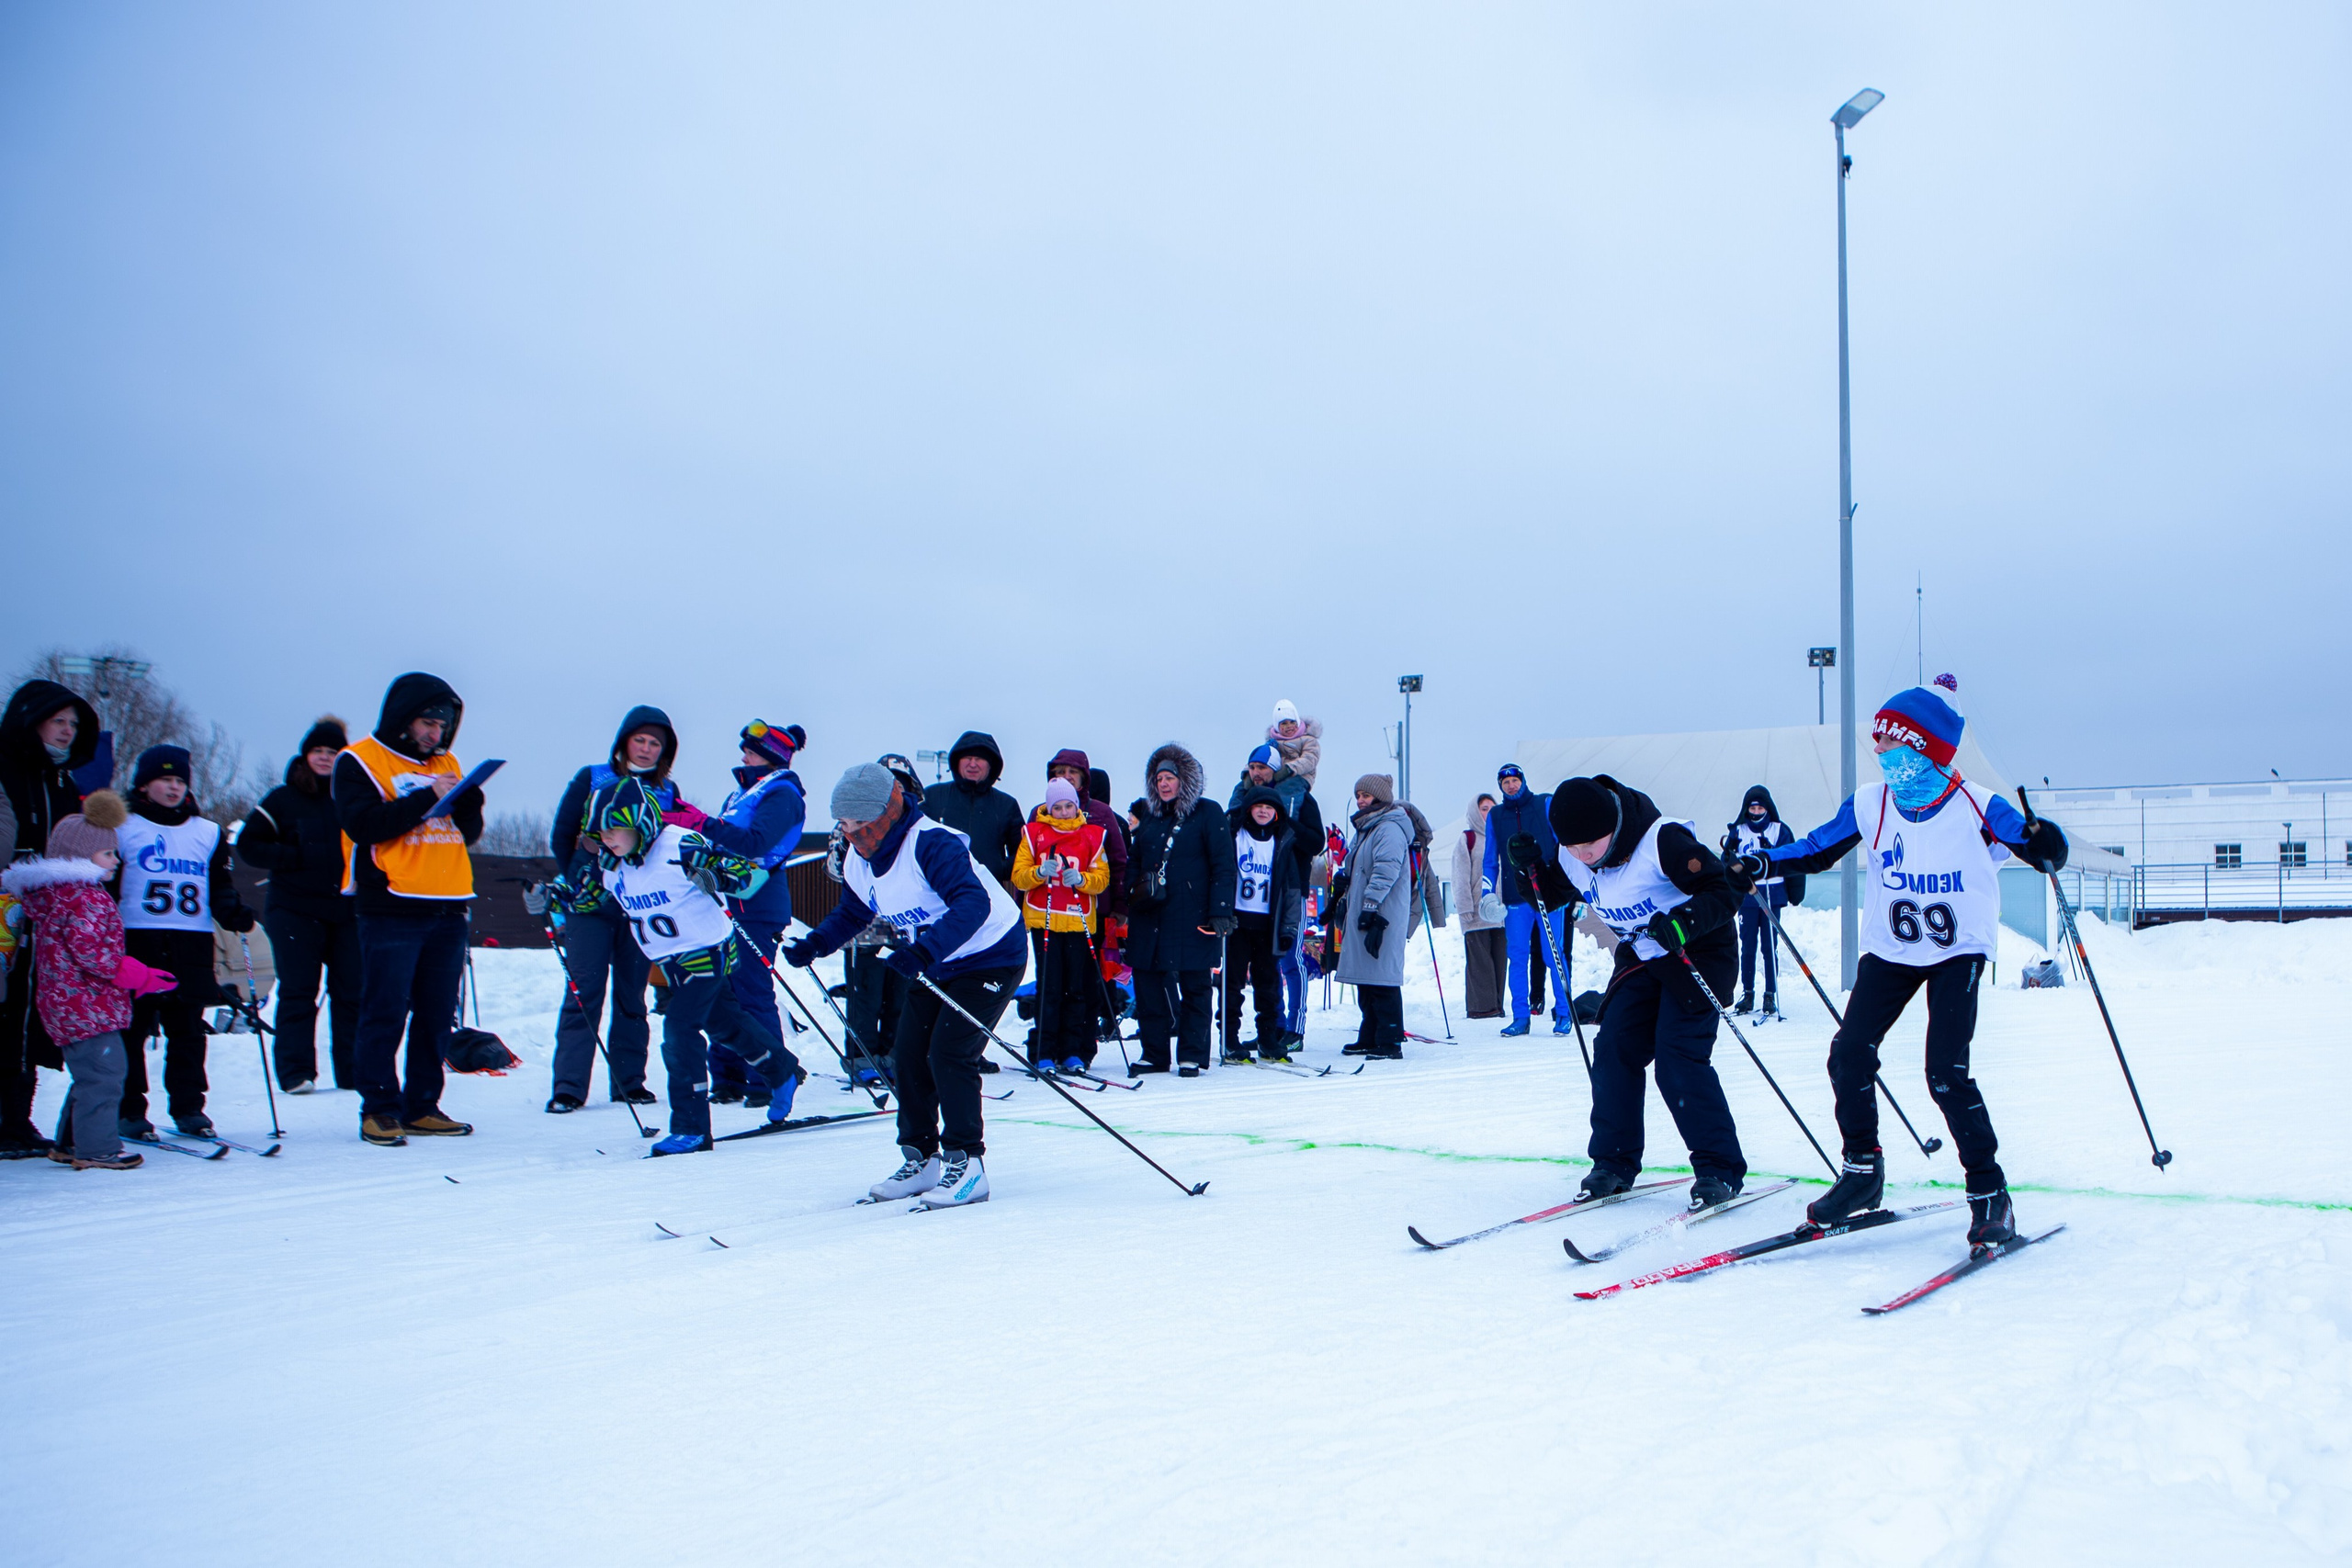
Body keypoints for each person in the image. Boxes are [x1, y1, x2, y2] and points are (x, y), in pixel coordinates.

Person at [1735, 677, 2066, 1247]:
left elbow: (2036, 847)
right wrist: (1761, 862)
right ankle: (1862, 1173)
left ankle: (1990, 1191)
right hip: (1892, 949)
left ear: (1922, 748)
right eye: (1880, 742)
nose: (1880, 751)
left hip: (1958, 951)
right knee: (1848, 1055)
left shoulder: (1977, 803)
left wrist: (2046, 843)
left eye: (1890, 742)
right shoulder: (1872, 802)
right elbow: (1816, 848)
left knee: (1945, 1072)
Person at [786, 763, 1027, 1209]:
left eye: (860, 822)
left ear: (886, 812)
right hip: (937, 960)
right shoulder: (859, 859)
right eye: (844, 823)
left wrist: (923, 951)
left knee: (949, 1053)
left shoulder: (930, 843)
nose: (851, 833)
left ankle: (967, 1164)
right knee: (910, 1055)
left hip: (990, 954)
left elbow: (973, 904)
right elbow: (854, 912)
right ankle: (921, 1158)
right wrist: (816, 943)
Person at [549, 779, 804, 1155]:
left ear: (640, 821)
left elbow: (749, 875)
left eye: (614, 828)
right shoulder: (610, 862)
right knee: (725, 1024)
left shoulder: (679, 845)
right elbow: (587, 901)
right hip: (670, 961)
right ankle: (782, 1070)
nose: (606, 838)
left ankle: (691, 1127)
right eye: (599, 832)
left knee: (680, 1031)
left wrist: (717, 876)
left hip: (706, 951)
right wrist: (557, 898)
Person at [1535, 774, 1747, 1210]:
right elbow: (1547, 893)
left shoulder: (1661, 841)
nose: (1582, 856)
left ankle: (1719, 1169)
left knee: (1677, 1058)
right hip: (1642, 958)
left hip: (1696, 952)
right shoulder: (1573, 856)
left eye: (1589, 845)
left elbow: (1724, 888)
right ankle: (1614, 1162)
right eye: (1572, 847)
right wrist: (1529, 871)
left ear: (1612, 826)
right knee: (1614, 1046)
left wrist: (1684, 922)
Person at [334, 671, 486, 1147]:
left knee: (437, 1014)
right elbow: (363, 825)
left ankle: (422, 1105)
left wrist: (469, 804)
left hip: (448, 903)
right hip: (392, 905)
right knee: (385, 1010)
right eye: (427, 723)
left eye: (442, 726)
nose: (435, 734)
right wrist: (427, 796)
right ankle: (379, 1108)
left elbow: (467, 833)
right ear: (403, 719)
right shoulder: (358, 759)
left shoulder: (447, 763)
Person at [3, 794, 178, 1168]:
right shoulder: (87, 898)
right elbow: (95, 954)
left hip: (67, 1005)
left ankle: (70, 1142)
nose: (117, 860)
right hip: (88, 1006)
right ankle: (97, 1149)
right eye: (108, 854)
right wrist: (140, 975)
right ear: (81, 857)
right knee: (104, 1076)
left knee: (90, 1075)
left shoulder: (56, 896)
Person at [112, 745, 255, 1140]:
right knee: (132, 1029)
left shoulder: (206, 832)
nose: (174, 787)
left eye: (180, 781)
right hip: (137, 939)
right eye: (165, 779)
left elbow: (219, 885)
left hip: (191, 942)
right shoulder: (123, 827)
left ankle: (189, 1107)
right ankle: (129, 1109)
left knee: (188, 1031)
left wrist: (231, 911)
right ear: (144, 785)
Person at [542, 707, 677, 1113]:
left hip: (637, 907)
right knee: (583, 992)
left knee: (632, 994)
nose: (646, 749)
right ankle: (569, 1087)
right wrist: (579, 877)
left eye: (655, 744)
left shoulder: (666, 790)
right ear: (624, 741)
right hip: (589, 907)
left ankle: (629, 1082)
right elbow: (563, 834)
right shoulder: (592, 777)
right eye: (640, 740)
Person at [673, 719, 807, 1102]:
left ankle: (768, 1079)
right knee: (722, 993)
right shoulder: (743, 793)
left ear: (770, 756)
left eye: (750, 751)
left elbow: (754, 843)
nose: (743, 756)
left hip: (756, 904)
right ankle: (728, 1077)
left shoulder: (782, 793)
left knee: (750, 992)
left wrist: (703, 823)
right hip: (726, 900)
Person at [0, 678, 99, 1158]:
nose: (66, 731)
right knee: (5, 1007)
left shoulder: (63, 780)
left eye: (73, 724)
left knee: (27, 1013)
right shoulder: (6, 767)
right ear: (31, 721)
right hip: (7, 904)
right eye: (57, 721)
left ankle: (17, 1120)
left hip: (45, 913)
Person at [238, 717, 363, 1092]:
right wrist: (293, 856)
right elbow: (248, 845)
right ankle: (296, 1073)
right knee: (299, 991)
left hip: (347, 911)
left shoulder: (354, 798)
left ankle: (354, 1072)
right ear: (305, 755)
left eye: (333, 752)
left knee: (352, 992)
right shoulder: (283, 798)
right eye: (317, 751)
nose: (324, 757)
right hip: (295, 910)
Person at [1123, 745, 1236, 1077]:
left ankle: (1191, 1054)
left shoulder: (1208, 812)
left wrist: (1220, 911)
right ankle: (1154, 1054)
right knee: (1149, 986)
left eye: (1170, 778)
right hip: (1150, 914)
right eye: (1158, 778)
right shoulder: (1149, 815)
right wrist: (1132, 892)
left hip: (1193, 914)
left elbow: (1223, 865)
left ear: (1185, 780)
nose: (1163, 784)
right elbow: (1135, 860)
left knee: (1195, 986)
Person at [1227, 741, 1325, 1050]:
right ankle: (1272, 1028)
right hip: (1250, 897)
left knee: (1290, 960)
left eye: (1263, 768)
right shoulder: (1241, 795)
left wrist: (1286, 822)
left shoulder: (1299, 795)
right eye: (1253, 767)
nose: (1257, 773)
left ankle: (1294, 1029)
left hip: (1288, 891)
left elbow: (1316, 842)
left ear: (1275, 770)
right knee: (1263, 970)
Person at [1010, 777, 1112, 1072]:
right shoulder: (1034, 834)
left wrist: (1082, 879)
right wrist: (1039, 872)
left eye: (1069, 806)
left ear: (1076, 806)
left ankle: (1071, 1051)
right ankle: (1044, 1050)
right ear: (1049, 808)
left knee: (1076, 989)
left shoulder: (1092, 835)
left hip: (1078, 922)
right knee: (1049, 988)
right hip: (1045, 920)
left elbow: (1102, 879)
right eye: (1058, 807)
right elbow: (1019, 877)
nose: (1064, 812)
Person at [1482, 764, 1568, 1036]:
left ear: (1522, 781)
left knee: (1554, 954)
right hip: (1516, 896)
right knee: (1517, 956)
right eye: (1505, 782)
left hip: (1548, 894)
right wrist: (1487, 894)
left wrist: (1572, 892)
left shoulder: (1544, 804)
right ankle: (1521, 1017)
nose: (1511, 785)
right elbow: (1490, 860)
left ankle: (1564, 1013)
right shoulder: (1496, 815)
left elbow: (1564, 847)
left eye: (1514, 780)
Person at [1337, 774, 1415, 1058]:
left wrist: (1370, 904)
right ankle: (1370, 1035)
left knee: (1382, 979)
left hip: (1382, 914)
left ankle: (1390, 1039)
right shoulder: (1368, 828)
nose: (1360, 800)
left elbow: (1386, 870)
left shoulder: (1388, 828)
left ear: (1380, 798)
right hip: (1368, 912)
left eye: (1366, 795)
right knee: (1367, 978)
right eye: (1358, 795)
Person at [1721, 785, 1804, 1018]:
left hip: (1771, 894)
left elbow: (1793, 859)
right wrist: (1728, 858)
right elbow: (1727, 862)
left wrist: (1794, 890)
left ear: (1768, 809)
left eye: (1760, 808)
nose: (1756, 813)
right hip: (1747, 897)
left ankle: (1770, 993)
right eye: (1753, 808)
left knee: (1769, 946)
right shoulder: (1738, 830)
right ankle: (1748, 993)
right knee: (1747, 946)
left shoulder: (1779, 830)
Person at [922, 731, 1023, 896]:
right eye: (967, 758)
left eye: (979, 759)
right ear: (957, 762)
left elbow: (1023, 852)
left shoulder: (1006, 805)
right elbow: (913, 840)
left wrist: (1000, 868)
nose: (973, 764)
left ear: (991, 765)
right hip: (937, 892)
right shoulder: (933, 797)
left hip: (988, 893)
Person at [1453, 792, 1506, 1019]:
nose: (1489, 813)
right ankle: (1481, 1007)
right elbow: (1459, 876)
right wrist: (1464, 907)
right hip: (1476, 913)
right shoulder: (1468, 839)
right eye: (1484, 809)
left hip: (1500, 913)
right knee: (1480, 961)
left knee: (1499, 961)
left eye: (1492, 808)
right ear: (1475, 812)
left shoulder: (1502, 837)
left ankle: (1496, 1004)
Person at [1264, 700, 1321, 786]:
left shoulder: (1308, 740)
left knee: (1287, 788)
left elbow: (1309, 759)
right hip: (1277, 777)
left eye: (1292, 722)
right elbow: (1260, 758)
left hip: (1301, 777)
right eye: (1284, 723)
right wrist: (1248, 773)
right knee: (1254, 789)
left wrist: (1289, 769)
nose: (1289, 726)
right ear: (1277, 727)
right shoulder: (1273, 743)